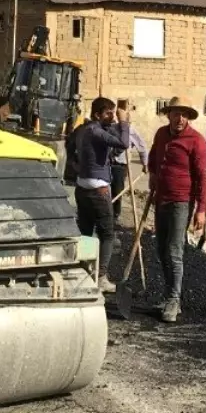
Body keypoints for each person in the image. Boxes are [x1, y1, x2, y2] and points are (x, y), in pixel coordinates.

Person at [147, 95, 206, 323]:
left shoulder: (196, 141)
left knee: (174, 251)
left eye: (184, 114)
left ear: (188, 117)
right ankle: (168, 296)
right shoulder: (161, 134)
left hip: (181, 202)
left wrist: (201, 210)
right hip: (161, 199)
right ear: (169, 115)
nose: (180, 118)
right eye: (176, 113)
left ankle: (174, 300)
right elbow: (153, 156)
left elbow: (202, 179)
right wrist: (153, 174)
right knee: (161, 250)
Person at [74, 97, 131, 292]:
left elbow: (111, 145)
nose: (112, 116)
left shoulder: (85, 129)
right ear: (98, 114)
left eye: (114, 113)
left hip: (82, 186)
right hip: (98, 189)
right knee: (107, 234)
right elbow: (123, 143)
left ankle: (84, 271)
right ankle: (101, 277)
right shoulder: (96, 131)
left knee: (86, 231)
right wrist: (124, 122)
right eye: (108, 113)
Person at [109, 113, 148, 224]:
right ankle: (105, 214)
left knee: (117, 191)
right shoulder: (112, 128)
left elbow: (142, 147)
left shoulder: (131, 131)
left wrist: (145, 164)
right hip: (108, 164)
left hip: (120, 166)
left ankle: (115, 216)